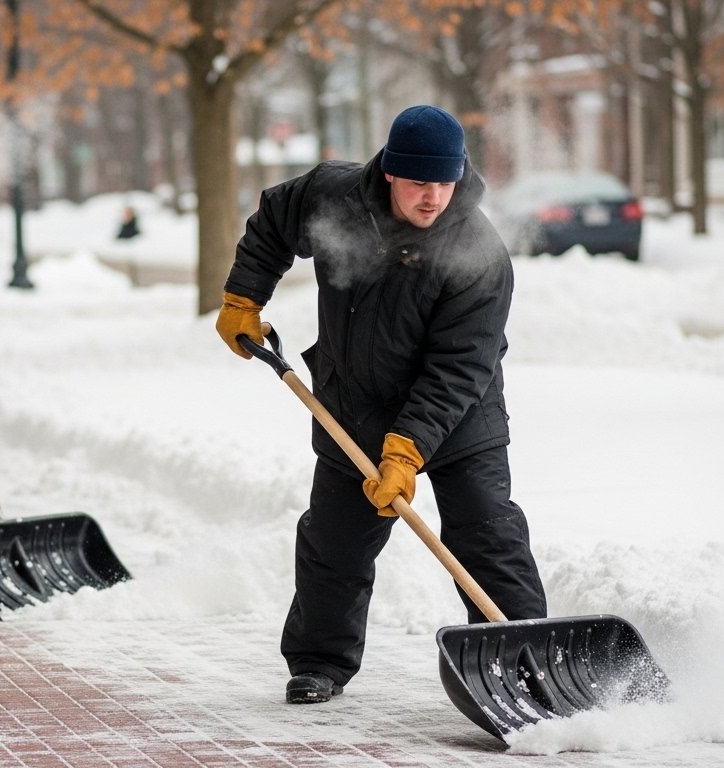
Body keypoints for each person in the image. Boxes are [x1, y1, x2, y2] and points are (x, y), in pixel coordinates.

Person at [215, 105, 547, 704]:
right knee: (334, 541)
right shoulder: (333, 195)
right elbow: (274, 220)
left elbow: (460, 366)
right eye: (421, 182)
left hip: (459, 417)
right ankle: (318, 662)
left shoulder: (478, 252)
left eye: (446, 182)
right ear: (392, 172)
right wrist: (244, 294)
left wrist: (408, 448)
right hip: (355, 407)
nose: (434, 198)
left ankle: (522, 664)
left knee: (488, 535)